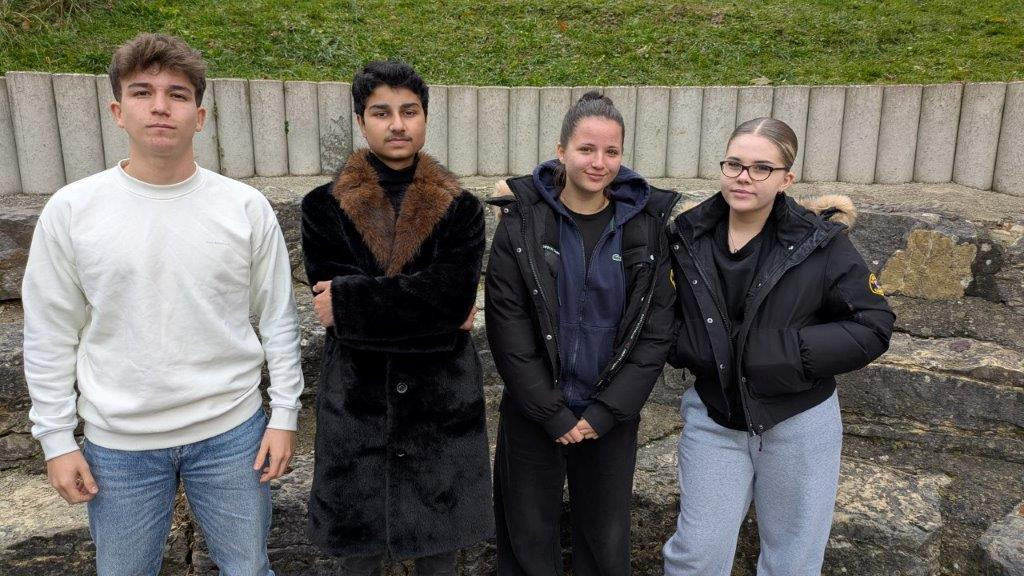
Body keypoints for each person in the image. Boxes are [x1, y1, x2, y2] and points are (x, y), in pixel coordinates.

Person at [22, 33, 303, 575]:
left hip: (232, 431)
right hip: (118, 444)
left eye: (177, 94)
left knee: (249, 569)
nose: (159, 106)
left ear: (199, 116)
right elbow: (50, 331)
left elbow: (278, 317)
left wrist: (285, 413)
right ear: (117, 111)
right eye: (142, 92)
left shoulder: (244, 208)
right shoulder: (72, 210)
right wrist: (56, 439)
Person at [661, 117, 895, 575]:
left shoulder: (820, 243)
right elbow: (660, 316)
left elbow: (873, 323)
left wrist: (782, 353)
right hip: (715, 418)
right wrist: (690, 347)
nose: (743, 177)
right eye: (734, 164)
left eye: (761, 168)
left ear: (786, 179)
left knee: (792, 560)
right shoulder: (687, 236)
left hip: (798, 422)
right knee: (696, 554)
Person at [301, 60, 492, 576]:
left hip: (440, 412)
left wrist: (353, 304)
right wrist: (432, 317)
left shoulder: (462, 209)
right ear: (361, 121)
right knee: (358, 560)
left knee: (439, 559)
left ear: (425, 117)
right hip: (357, 410)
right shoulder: (323, 207)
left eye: (409, 111)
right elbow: (434, 307)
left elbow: (450, 298)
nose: (397, 124)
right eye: (381, 112)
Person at [485, 92, 678, 575]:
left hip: (608, 417)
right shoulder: (522, 225)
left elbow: (654, 332)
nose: (599, 162)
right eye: (586, 149)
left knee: (605, 542)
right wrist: (549, 410)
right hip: (533, 412)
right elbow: (508, 328)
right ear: (561, 151)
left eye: (611, 151)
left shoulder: (646, 228)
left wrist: (607, 411)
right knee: (527, 541)